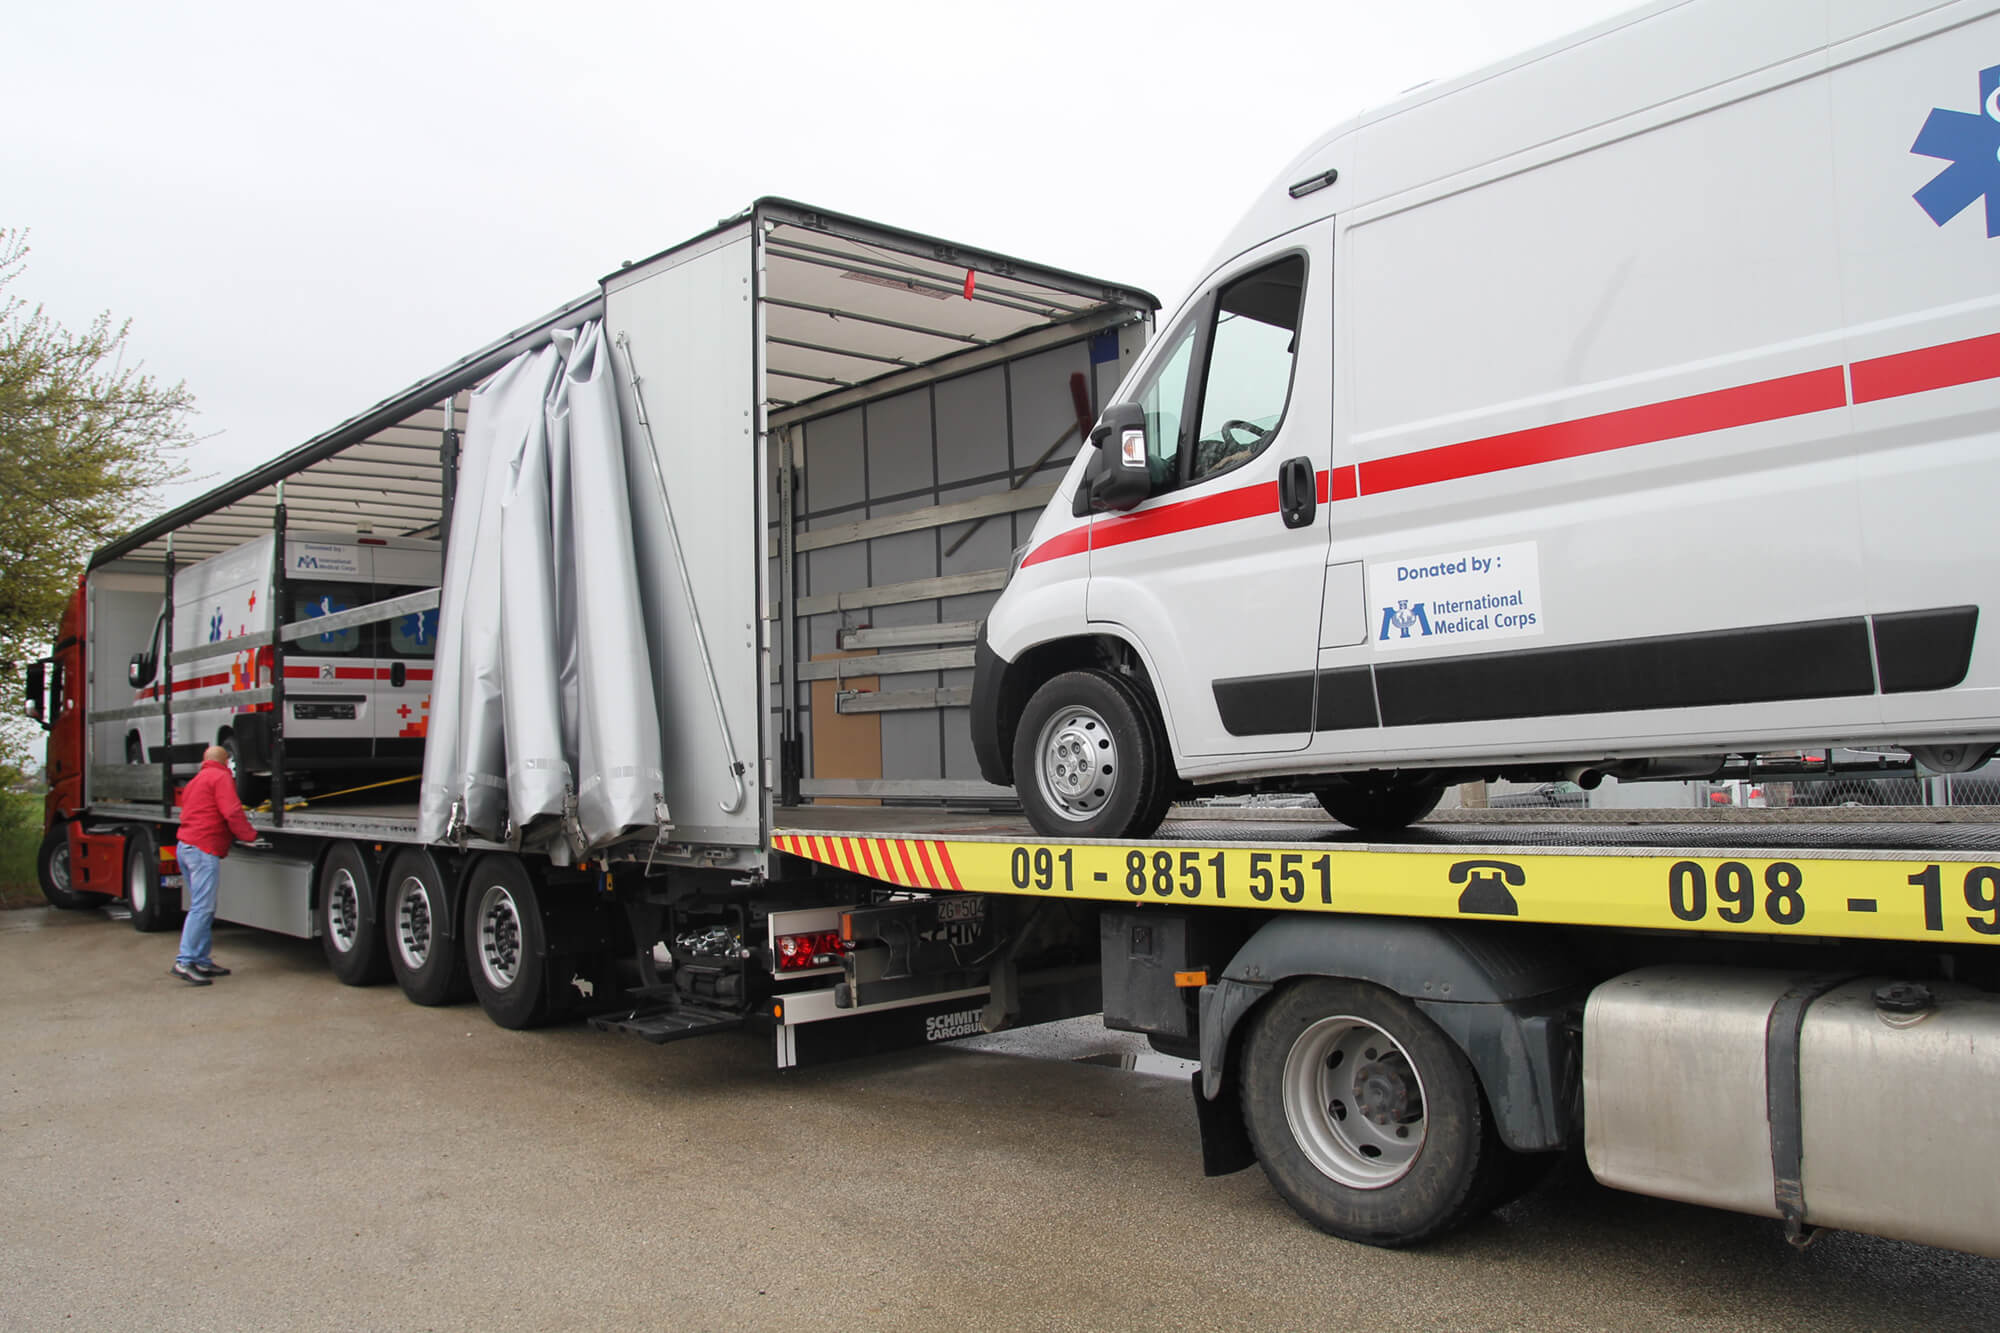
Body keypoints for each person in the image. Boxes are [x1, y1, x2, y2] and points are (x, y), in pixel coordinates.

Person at [170, 745, 258, 986]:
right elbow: (231, 811)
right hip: (202, 849)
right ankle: (185, 961)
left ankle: (201, 960)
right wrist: (249, 835)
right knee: (203, 907)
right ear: (225, 760)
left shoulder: (196, 780)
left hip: (185, 846)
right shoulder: (220, 777)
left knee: (202, 905)